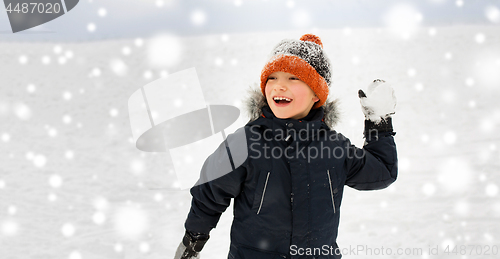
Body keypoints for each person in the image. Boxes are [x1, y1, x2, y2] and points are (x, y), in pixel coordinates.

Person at [174, 34, 398, 259]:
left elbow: (382, 171)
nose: (279, 86)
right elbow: (210, 192)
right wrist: (193, 241)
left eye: (293, 78)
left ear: (316, 94)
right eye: (272, 77)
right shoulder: (246, 143)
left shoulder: (334, 147)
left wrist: (379, 124)